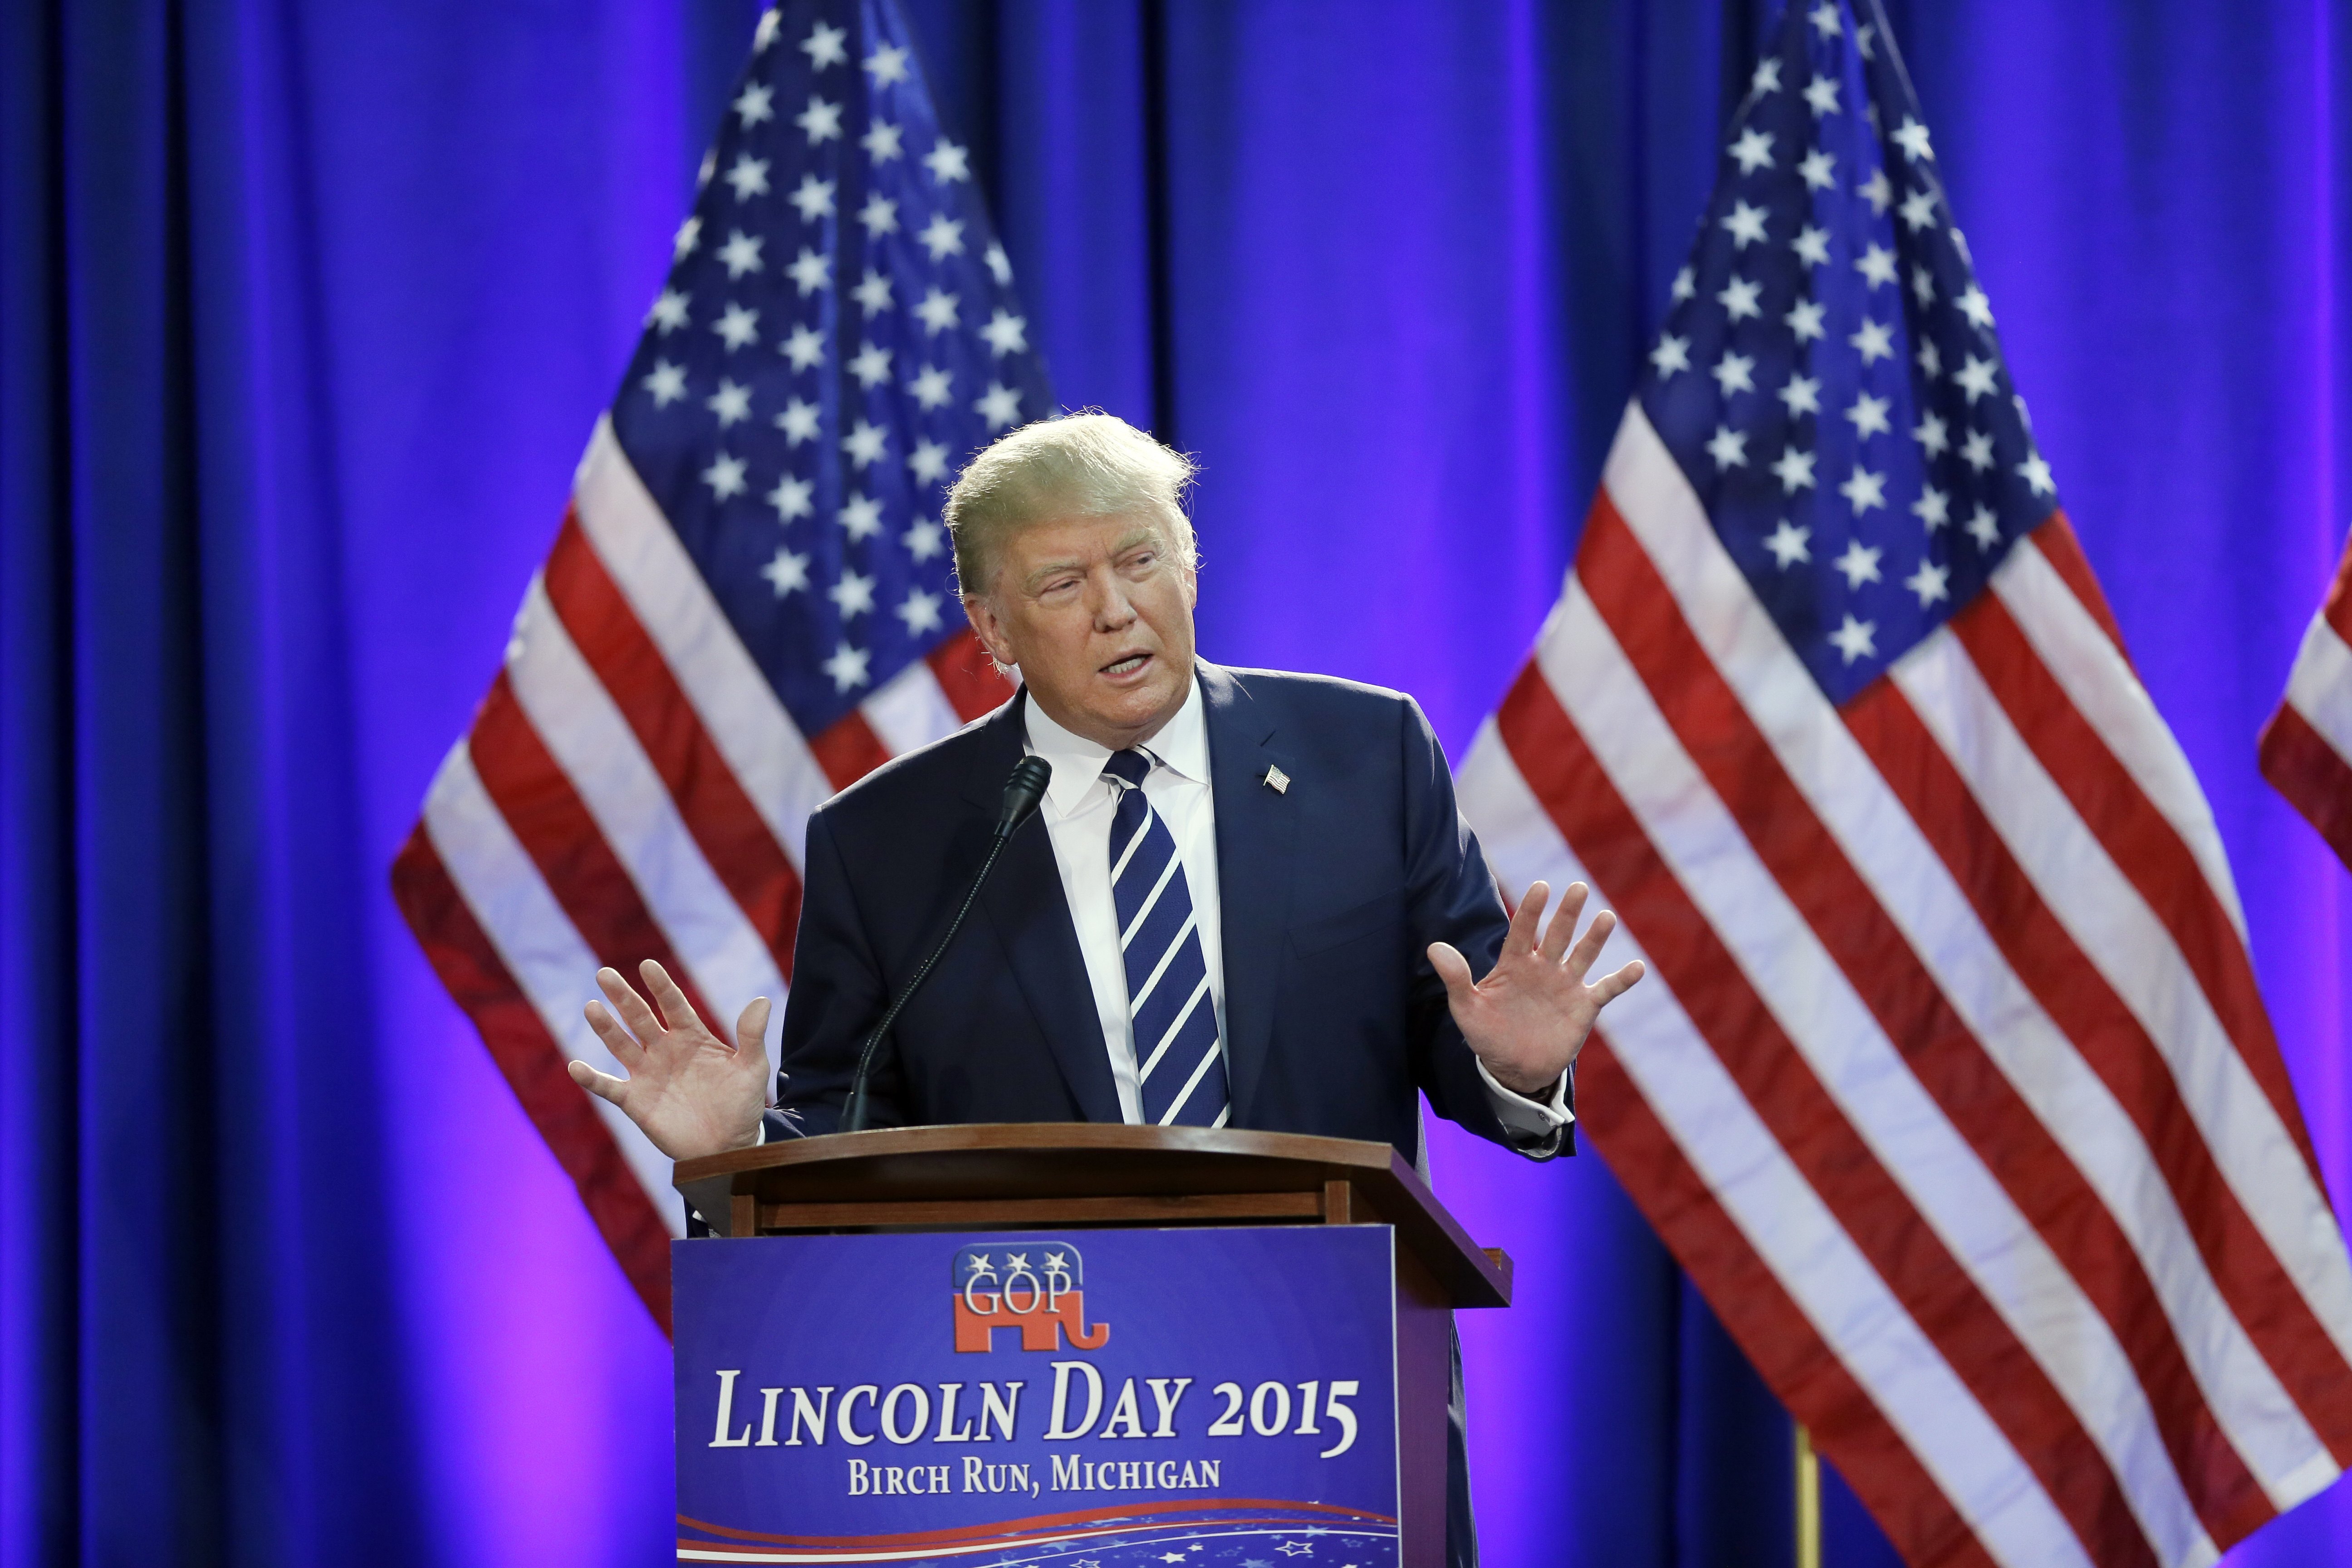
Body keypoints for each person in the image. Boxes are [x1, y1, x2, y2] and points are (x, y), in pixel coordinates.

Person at [567, 412, 1643, 1564]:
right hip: (1040, 1442)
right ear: (993, 629)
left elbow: (1457, 1028)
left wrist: (1516, 1071)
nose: (1117, 608)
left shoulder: (1366, 753)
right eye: (1064, 583)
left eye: (1141, 560)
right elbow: (850, 1129)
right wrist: (743, 1152)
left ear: (1189, 564)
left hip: (1334, 1405)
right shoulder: (889, 841)